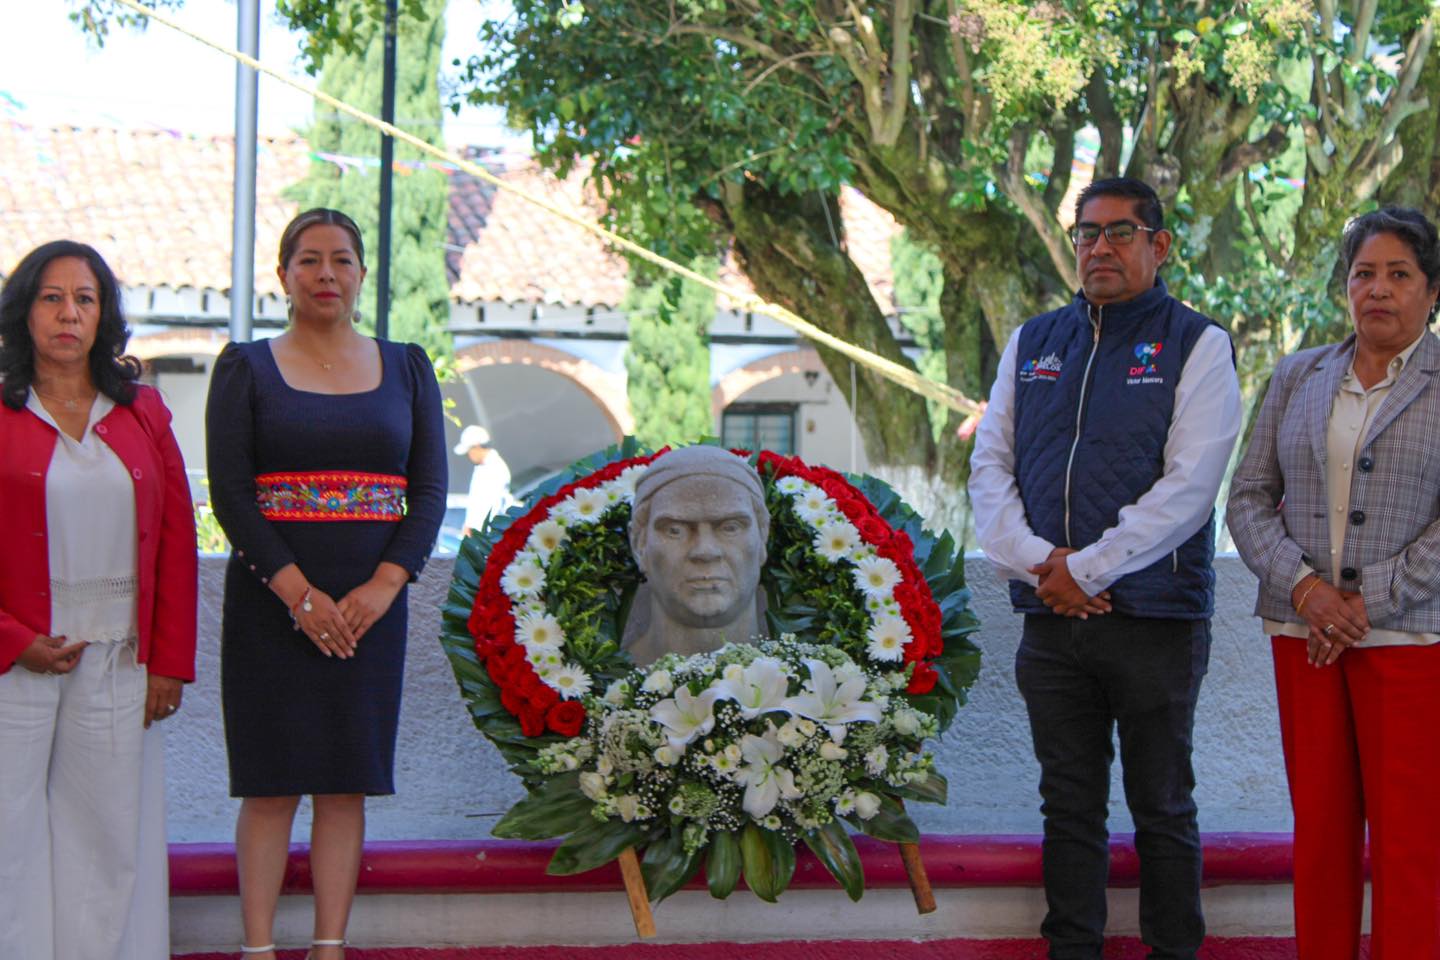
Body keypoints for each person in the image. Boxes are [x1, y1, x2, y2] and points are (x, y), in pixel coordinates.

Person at [969, 177, 1241, 960]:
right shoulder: (1034, 341)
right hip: (1051, 621)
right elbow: (991, 469)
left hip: (1155, 617)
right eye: (1087, 233)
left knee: (1162, 807)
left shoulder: (1199, 342)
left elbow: (1190, 486)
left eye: (1121, 233)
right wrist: (1039, 563)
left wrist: (1088, 567)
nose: (1100, 248)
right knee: (1069, 807)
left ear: (1159, 246)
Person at [206, 208, 446, 960]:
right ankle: (257, 949)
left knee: (345, 783)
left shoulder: (407, 366)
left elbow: (430, 489)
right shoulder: (244, 367)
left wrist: (384, 585)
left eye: (341, 260)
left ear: (362, 274)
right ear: (283, 276)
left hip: (370, 611)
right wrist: (298, 596)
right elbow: (233, 495)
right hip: (272, 604)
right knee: (271, 784)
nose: (326, 274)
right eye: (308, 260)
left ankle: (329, 946)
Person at [1227, 207, 1440, 959]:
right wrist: (1309, 592)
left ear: (1432, 290)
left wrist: (1363, 601)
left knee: (1411, 846)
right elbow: (1247, 498)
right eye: (1363, 274)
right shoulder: (1298, 375)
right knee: (1319, 835)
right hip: (1304, 636)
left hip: (1412, 645)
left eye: (1398, 274)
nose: (1377, 289)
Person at [0, 240, 197, 960]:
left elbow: (177, 538)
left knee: (107, 840)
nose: (68, 314)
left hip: (120, 660)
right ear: (24, 312)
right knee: (7, 838)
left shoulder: (142, 413)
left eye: (84, 299)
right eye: (51, 298)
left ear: (103, 317)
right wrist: (11, 639)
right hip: (15, 659)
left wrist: (169, 661)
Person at [623, 445, 769, 664]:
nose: (705, 551)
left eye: (730, 527)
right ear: (639, 544)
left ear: (762, 538)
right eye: (675, 530)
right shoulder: (597, 686)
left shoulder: (817, 678)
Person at [454, 423, 512, 536]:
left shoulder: (493, 469)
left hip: (484, 535)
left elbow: (485, 505)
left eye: (469, 451)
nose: (469, 455)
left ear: (477, 446)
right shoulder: (487, 467)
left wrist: (472, 529)